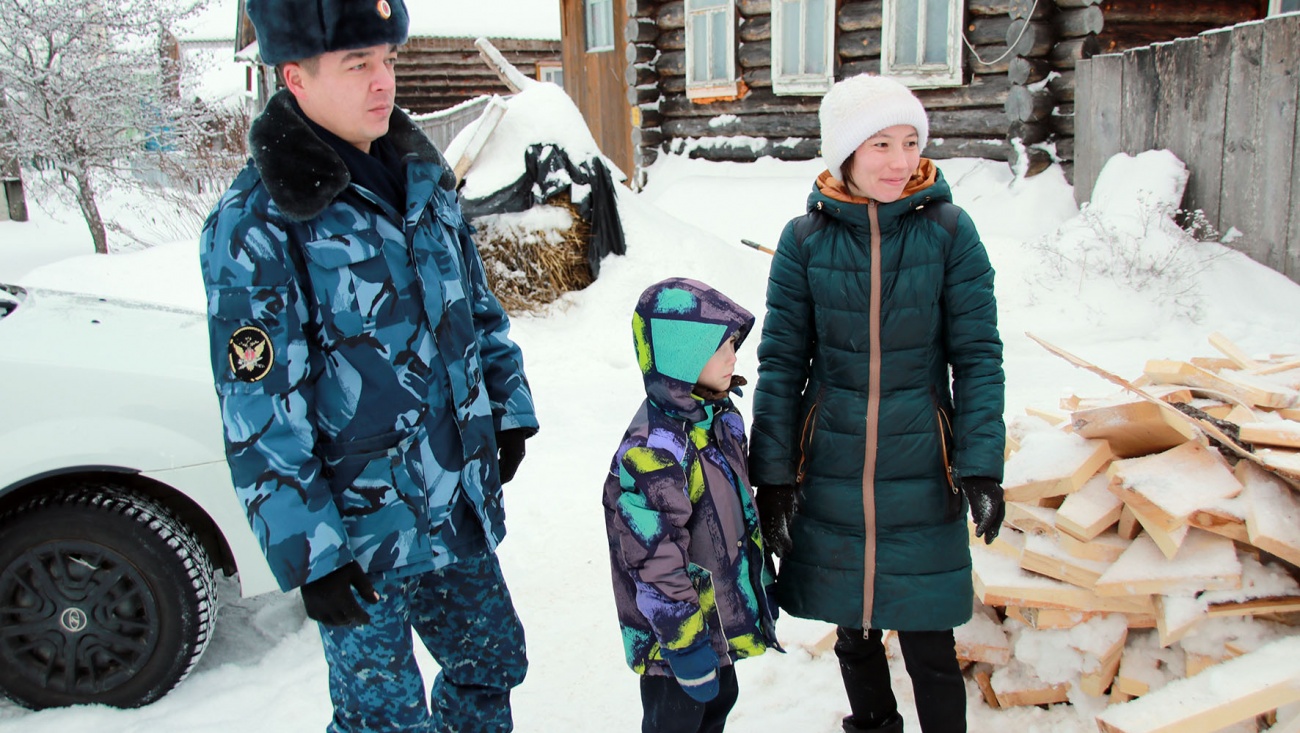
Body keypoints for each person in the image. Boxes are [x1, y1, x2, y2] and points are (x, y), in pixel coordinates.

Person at [198, 1, 538, 731]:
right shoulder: (259, 219)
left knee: (491, 665)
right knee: (382, 719)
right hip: (362, 530)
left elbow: (474, 307)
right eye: (358, 65)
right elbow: (259, 408)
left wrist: (507, 407)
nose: (384, 81)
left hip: (453, 500)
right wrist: (310, 552)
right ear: (295, 77)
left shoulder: (421, 173)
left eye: (388, 60)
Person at [748, 74, 1007, 733]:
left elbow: (978, 356)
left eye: (910, 142)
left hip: (922, 467)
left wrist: (981, 464)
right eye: (881, 144)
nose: (900, 161)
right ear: (845, 152)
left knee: (930, 643)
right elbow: (781, 364)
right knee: (854, 631)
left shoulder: (950, 232)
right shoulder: (804, 240)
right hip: (831, 466)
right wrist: (772, 478)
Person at [603, 278, 780, 733]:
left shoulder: (718, 419)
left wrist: (757, 589)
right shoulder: (654, 452)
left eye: (733, 345)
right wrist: (683, 645)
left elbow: (738, 516)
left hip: (715, 625)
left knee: (718, 708)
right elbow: (654, 560)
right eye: (719, 348)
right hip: (674, 644)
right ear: (680, 355)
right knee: (677, 722)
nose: (733, 357)